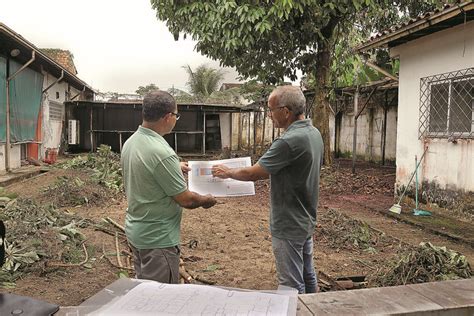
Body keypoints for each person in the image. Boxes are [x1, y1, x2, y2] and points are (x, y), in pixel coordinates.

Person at [212, 86, 323, 294]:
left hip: (288, 222)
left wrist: (228, 172)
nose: (269, 115)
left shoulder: (288, 141)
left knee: (291, 286)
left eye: (271, 110)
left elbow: (255, 173)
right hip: (305, 217)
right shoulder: (313, 133)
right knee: (308, 274)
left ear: (286, 111)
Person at [121, 90, 217, 284]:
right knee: (161, 299)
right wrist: (206, 200)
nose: (176, 120)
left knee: (145, 288)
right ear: (168, 117)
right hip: (158, 239)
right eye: (176, 115)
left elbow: (147, 170)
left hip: (138, 233)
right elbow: (186, 199)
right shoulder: (162, 152)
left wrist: (175, 167)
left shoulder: (132, 142)